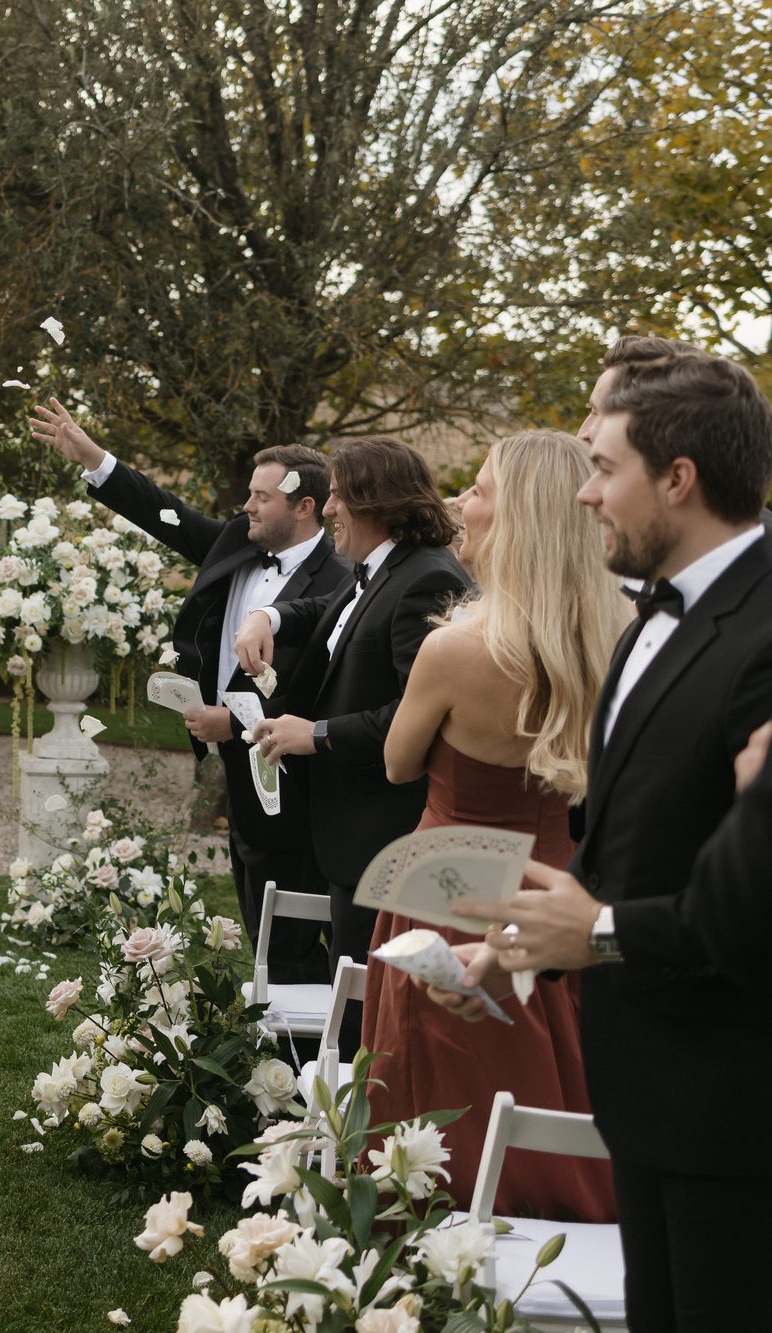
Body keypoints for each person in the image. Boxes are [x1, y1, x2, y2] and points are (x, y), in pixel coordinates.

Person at [433, 342, 772, 1331]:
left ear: (677, 479)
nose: (582, 496)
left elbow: (750, 904)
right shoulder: (646, 621)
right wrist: (515, 946)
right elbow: (615, 846)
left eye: (602, 468)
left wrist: (602, 936)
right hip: (643, 1095)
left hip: (735, 1108)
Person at [362, 430, 624, 1219]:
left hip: (448, 886)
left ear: (522, 517)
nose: (458, 504)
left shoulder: (455, 649)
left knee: (438, 1099)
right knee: (559, 1077)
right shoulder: (615, 635)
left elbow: (397, 764)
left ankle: (436, 1251)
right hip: (559, 886)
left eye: (477, 490)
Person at [31, 399, 350, 984]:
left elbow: (329, 687)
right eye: (250, 493)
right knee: (259, 918)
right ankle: (282, 1025)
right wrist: (95, 459)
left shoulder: (340, 580)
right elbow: (164, 514)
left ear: (305, 508)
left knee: (294, 933)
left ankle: (306, 1048)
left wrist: (234, 722)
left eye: (261, 497)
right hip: (235, 769)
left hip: (298, 785)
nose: (246, 505)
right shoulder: (237, 542)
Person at [237, 436, 469, 1053]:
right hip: (348, 833)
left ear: (372, 500)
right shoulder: (382, 568)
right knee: (352, 997)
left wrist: (314, 734)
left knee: (373, 1016)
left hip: (383, 833)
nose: (330, 507)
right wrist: (271, 617)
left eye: (338, 494)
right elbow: (328, 609)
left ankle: (357, 1131)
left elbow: (416, 713)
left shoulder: (429, 579)